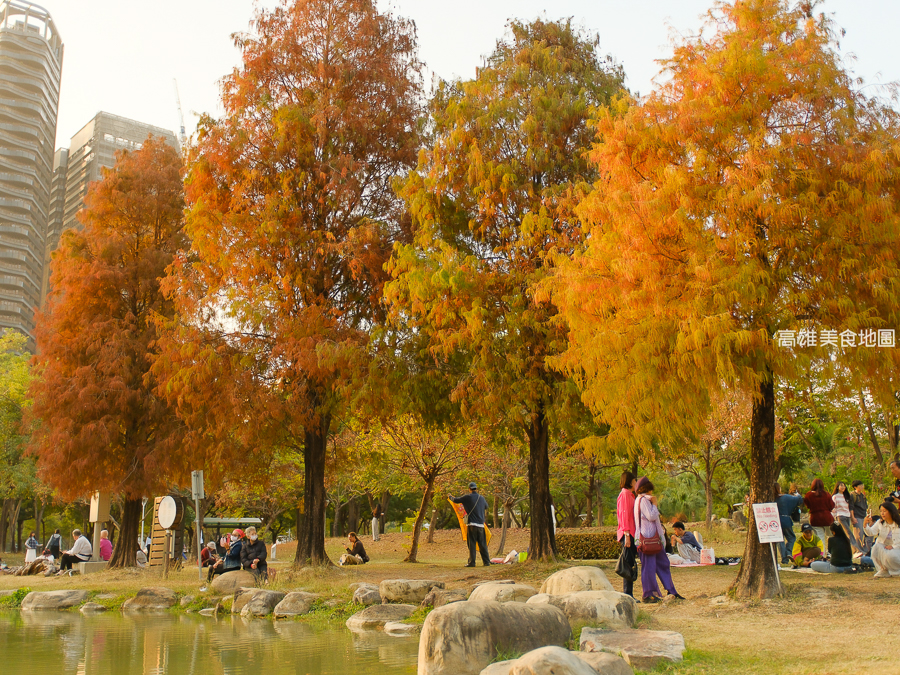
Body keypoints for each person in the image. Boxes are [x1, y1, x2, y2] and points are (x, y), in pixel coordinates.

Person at [633, 477, 683, 603]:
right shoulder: (643, 500)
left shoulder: (643, 500)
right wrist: (655, 504)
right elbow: (651, 516)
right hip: (647, 539)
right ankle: (648, 594)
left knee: (663, 563)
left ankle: (671, 590)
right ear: (647, 488)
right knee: (648, 567)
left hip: (655, 539)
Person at [450, 482, 491, 567]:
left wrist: (449, 496)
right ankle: (486, 562)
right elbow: (486, 507)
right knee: (482, 544)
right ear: (476, 488)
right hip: (481, 525)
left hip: (472, 524)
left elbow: (455, 500)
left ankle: (472, 562)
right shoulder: (481, 498)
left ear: (469, 489)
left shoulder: (467, 497)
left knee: (472, 543)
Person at [615, 471, 638, 598]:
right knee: (628, 564)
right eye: (634, 481)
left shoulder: (630, 495)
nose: (636, 483)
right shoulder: (625, 495)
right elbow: (624, 516)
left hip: (631, 533)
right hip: (627, 533)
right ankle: (628, 594)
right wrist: (627, 535)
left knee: (630, 562)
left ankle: (629, 593)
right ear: (629, 481)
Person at [863, 501, 900, 578]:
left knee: (890, 556)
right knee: (875, 549)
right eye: (881, 511)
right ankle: (883, 570)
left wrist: (893, 546)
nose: (882, 513)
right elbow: (871, 532)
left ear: (891, 511)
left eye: (884, 511)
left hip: (896, 549)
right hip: (884, 547)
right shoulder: (880, 522)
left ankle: (895, 571)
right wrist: (865, 525)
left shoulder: (898, 524)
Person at [831, 481, 862, 553]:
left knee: (845, 534)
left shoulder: (847, 496)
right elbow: (833, 508)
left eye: (844, 485)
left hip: (847, 516)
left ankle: (847, 550)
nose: (843, 487)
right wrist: (833, 518)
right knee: (849, 533)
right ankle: (857, 549)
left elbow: (850, 507)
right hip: (840, 516)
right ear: (837, 487)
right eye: (841, 485)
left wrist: (852, 517)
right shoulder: (835, 496)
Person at [775, 483, 802, 565]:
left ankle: (784, 559)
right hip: (786, 519)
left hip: (775, 521)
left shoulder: (771, 498)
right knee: (791, 537)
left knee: (780, 540)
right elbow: (799, 500)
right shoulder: (785, 497)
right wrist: (796, 493)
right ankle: (789, 552)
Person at [804, 478, 834, 547]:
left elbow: (807, 505)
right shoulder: (827, 494)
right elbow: (832, 506)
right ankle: (831, 553)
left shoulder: (808, 495)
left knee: (820, 537)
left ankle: (821, 554)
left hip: (815, 519)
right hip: (827, 518)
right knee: (831, 536)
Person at [849, 480, 872, 554]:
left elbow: (865, 506)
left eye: (862, 485)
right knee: (858, 535)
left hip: (863, 516)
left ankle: (865, 550)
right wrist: (852, 517)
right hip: (857, 516)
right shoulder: (852, 495)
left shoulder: (863, 495)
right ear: (855, 487)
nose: (862, 486)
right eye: (860, 485)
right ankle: (857, 550)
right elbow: (851, 507)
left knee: (866, 533)